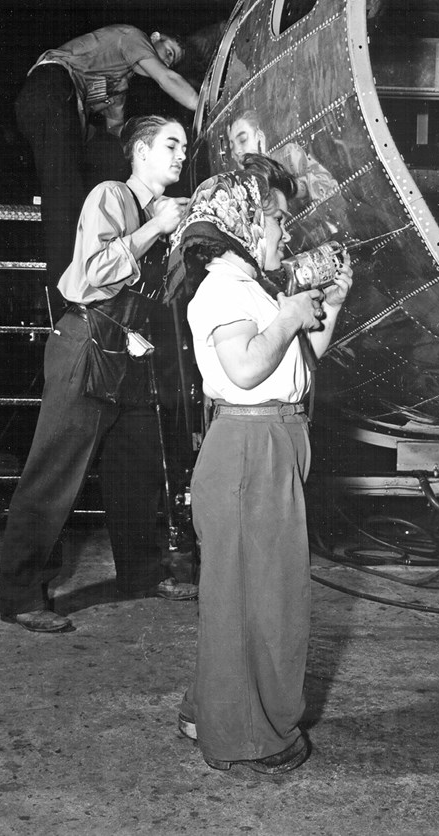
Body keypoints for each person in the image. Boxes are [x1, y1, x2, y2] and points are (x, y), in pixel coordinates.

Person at [164, 154, 353, 773]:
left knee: (241, 594)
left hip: (270, 441)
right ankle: (251, 738)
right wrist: (292, 313)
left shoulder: (252, 288)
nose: (283, 231)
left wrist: (328, 303)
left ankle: (209, 709)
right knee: (260, 600)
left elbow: (302, 360)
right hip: (251, 447)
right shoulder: (222, 290)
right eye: (272, 219)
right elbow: (247, 367)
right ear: (241, 223)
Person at [0, 115, 198, 634]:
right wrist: (156, 228)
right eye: (170, 145)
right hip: (86, 342)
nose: (180, 154)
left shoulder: (168, 215)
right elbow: (87, 277)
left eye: (182, 145)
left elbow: (168, 293)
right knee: (54, 472)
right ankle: (20, 595)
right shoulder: (111, 196)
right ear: (140, 152)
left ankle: (142, 574)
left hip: (131, 352)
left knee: (137, 470)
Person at [15, 25, 199, 317]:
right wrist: (205, 108)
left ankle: (95, 269)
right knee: (63, 191)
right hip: (50, 86)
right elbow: (167, 78)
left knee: (84, 184)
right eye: (167, 52)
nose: (164, 61)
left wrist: (145, 191)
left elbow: (117, 134)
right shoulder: (132, 38)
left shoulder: (119, 85)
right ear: (155, 38)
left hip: (59, 108)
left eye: (171, 60)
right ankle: (65, 290)